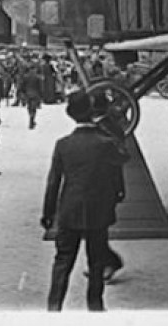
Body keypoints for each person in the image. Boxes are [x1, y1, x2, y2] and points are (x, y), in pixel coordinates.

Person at [43, 92, 130, 312]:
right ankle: (95, 308)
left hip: (69, 211)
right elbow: (122, 159)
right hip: (98, 211)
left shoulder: (63, 144)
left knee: (62, 262)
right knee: (97, 262)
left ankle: (53, 309)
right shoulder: (105, 143)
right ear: (93, 113)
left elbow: (53, 182)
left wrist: (48, 213)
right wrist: (106, 126)